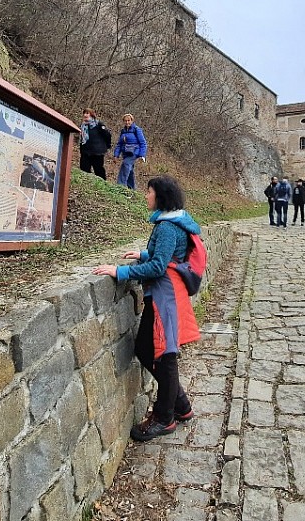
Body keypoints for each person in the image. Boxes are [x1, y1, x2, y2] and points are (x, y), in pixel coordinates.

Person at [92, 175, 200, 441]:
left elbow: (158, 267)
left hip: (165, 296)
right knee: (145, 348)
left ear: (160, 196)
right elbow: (167, 255)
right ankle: (181, 406)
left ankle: (165, 418)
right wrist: (142, 254)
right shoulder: (174, 221)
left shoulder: (166, 227)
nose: (145, 195)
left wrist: (119, 271)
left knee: (165, 355)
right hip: (165, 293)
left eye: (148, 191)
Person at [113, 113, 147, 189]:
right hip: (125, 153)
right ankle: (132, 188)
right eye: (125, 121)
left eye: (129, 120)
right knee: (130, 170)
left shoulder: (137, 130)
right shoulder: (123, 131)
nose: (127, 122)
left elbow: (143, 143)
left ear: (132, 121)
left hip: (134, 152)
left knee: (125, 164)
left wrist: (142, 155)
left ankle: (120, 186)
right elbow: (119, 144)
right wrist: (116, 155)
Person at [79, 108, 111, 180]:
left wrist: (107, 146)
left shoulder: (98, 124)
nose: (85, 115)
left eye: (87, 113)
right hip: (86, 152)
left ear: (92, 115)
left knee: (98, 170)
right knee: (84, 169)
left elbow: (107, 135)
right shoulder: (82, 126)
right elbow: (82, 139)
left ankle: (103, 184)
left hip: (97, 152)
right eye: (84, 113)